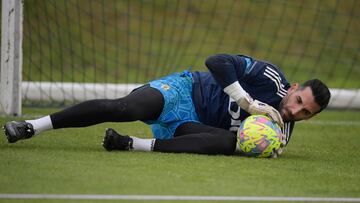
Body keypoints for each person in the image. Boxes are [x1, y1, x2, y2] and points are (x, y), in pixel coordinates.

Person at [3, 54, 331, 157]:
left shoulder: (281, 131)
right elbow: (217, 61)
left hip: (185, 130)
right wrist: (248, 102)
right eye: (299, 101)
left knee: (232, 143)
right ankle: (33, 126)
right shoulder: (272, 78)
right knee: (125, 109)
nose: (295, 111)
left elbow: (253, 145)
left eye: (306, 113)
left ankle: (130, 144)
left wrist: (263, 147)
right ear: (295, 88)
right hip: (182, 91)